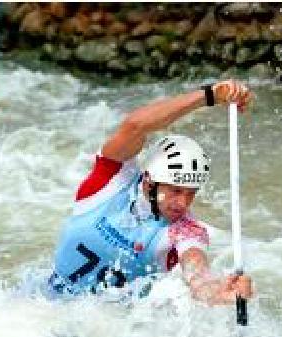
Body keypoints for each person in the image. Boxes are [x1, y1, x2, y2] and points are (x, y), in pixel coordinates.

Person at [48, 80, 254, 305]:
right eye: (175, 190)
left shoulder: (185, 232)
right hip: (42, 299)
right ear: (148, 181)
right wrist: (209, 95)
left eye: (190, 193)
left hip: (103, 325)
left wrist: (218, 293)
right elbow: (135, 125)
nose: (183, 204)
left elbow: (197, 275)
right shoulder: (109, 182)